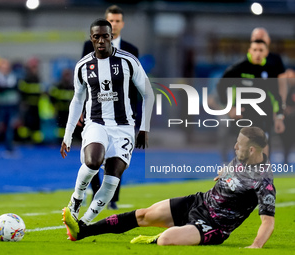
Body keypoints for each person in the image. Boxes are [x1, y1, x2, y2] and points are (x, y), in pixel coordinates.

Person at [62, 127, 275, 248]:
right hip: (198, 202)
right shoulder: (243, 157)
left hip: (213, 226)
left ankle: (156, 239)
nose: (235, 147)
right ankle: (82, 231)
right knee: (144, 215)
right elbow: (234, 172)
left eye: (240, 144)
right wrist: (225, 173)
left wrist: (256, 246)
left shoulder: (263, 181)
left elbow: (268, 222)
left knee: (165, 240)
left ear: (253, 149)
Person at [60, 19, 154, 226]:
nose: (101, 40)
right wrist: (67, 135)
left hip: (124, 127)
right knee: (93, 161)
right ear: (91, 39)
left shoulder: (128, 61)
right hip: (96, 123)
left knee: (113, 178)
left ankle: (84, 223)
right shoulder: (83, 66)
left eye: (105, 36)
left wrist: (144, 127)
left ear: (111, 37)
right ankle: (76, 199)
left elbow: (148, 94)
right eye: (97, 37)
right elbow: (77, 100)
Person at [82, 5, 140, 210]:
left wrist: (137, 116)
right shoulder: (88, 47)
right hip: (96, 113)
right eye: (110, 21)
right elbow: (85, 82)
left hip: (123, 115)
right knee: (94, 157)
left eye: (117, 21)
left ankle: (112, 198)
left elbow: (135, 86)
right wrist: (82, 110)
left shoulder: (131, 51)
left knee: (117, 155)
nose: (114, 24)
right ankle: (95, 193)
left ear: (122, 24)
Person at [217, 39, 285, 156]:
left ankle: (262, 173)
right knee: (243, 151)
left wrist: (279, 116)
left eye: (261, 50)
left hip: (263, 116)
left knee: (263, 147)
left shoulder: (270, 70)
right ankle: (242, 173)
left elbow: (276, 95)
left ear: (266, 53)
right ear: (250, 51)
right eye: (255, 50)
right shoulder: (239, 68)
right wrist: (229, 108)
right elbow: (221, 86)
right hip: (243, 115)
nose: (257, 53)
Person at [0, 58, 20, 153]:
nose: (4, 69)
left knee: (10, 127)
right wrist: (6, 88)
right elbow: (0, 89)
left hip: (11, 105)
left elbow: (14, 88)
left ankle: (9, 147)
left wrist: (4, 88)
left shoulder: (13, 76)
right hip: (0, 105)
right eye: (2, 67)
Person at [250, 28, 287, 106]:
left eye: (262, 37)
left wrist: (281, 103)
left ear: (268, 40)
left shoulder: (275, 60)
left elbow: (282, 83)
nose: (259, 40)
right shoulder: (244, 62)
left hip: (271, 104)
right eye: (256, 37)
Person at [278, 69, 295, 164]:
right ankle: (286, 161)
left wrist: (291, 109)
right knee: (286, 143)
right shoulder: (284, 89)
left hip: (293, 120)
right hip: (287, 122)